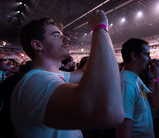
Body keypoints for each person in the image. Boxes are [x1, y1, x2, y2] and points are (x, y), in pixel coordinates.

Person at [11, 10, 124, 138]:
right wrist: (100, 28)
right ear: (37, 45)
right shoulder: (36, 83)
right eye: (56, 35)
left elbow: (83, 71)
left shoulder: (54, 75)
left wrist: (100, 40)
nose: (67, 39)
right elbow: (106, 112)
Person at [116, 38, 159, 138]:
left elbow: (156, 104)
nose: (150, 59)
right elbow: (123, 133)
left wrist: (155, 77)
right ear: (134, 56)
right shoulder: (126, 84)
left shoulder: (135, 78)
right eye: (146, 54)